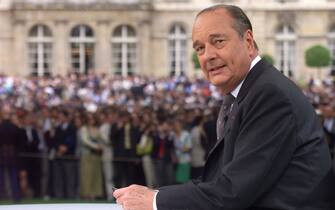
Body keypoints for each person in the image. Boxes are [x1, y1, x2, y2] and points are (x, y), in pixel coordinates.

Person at [113, 4, 334, 210]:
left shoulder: (269, 95)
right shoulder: (246, 92)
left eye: (218, 42)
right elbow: (220, 181)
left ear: (248, 42)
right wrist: (153, 195)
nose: (208, 55)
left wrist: (154, 200)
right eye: (199, 48)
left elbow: (233, 192)